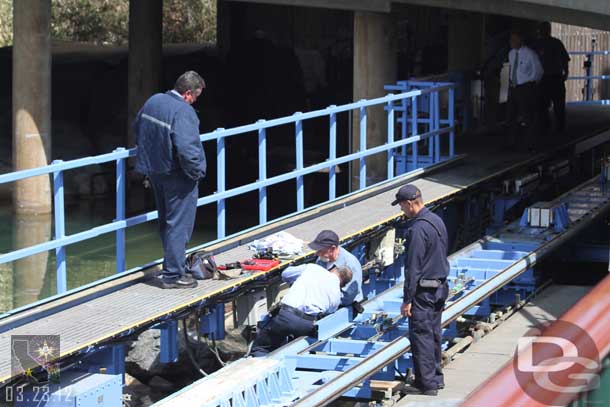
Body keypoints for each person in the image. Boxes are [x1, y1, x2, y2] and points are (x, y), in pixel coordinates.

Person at [134, 71, 207, 289]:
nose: (195, 101)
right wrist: (197, 173)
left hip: (155, 171)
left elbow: (137, 127)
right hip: (177, 176)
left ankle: (173, 264)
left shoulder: (154, 100)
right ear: (187, 94)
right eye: (196, 97)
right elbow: (187, 149)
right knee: (179, 225)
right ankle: (174, 274)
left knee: (166, 221)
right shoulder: (184, 111)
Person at [391, 184, 449, 396]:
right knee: (434, 333)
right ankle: (436, 378)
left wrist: (407, 300)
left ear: (409, 204)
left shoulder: (416, 230)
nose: (401, 211)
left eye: (401, 206)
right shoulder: (436, 221)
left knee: (421, 337)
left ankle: (426, 385)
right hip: (440, 286)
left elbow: (413, 268)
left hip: (424, 292)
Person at [250, 264, 352, 356]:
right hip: (307, 324)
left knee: (261, 349)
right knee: (302, 351)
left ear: (334, 269)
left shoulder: (313, 268)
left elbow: (286, 274)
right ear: (343, 284)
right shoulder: (337, 295)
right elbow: (328, 313)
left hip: (284, 317)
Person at [282, 230, 363, 308]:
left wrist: (321, 298)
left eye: (320, 250)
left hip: (344, 308)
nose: (317, 253)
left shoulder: (351, 265)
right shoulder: (322, 260)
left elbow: (347, 298)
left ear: (332, 249)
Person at [506, 30, 544, 150]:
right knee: (511, 115)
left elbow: (539, 71)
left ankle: (529, 144)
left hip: (526, 87)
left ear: (520, 40)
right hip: (513, 87)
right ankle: (512, 142)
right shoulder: (511, 54)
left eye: (513, 39)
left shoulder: (530, 54)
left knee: (527, 116)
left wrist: (531, 83)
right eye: (510, 39)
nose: (511, 42)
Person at [534, 21, 570, 133]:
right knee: (557, 105)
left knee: (543, 105)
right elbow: (565, 59)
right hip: (554, 77)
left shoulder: (537, 44)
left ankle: (545, 127)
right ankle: (559, 128)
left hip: (545, 78)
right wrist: (566, 72)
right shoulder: (556, 43)